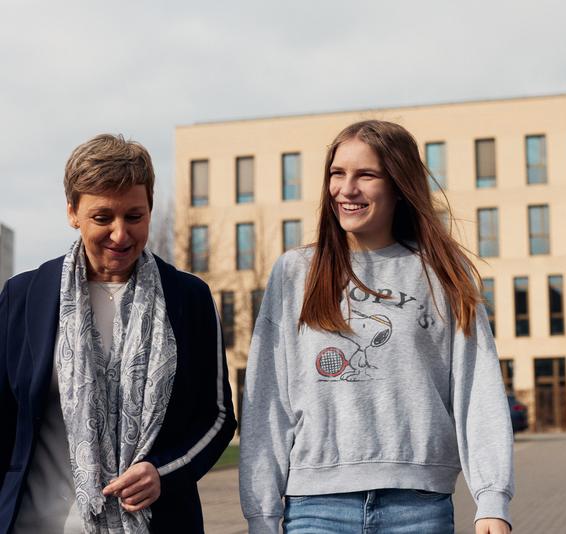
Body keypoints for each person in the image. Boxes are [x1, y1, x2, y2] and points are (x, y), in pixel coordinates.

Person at [240, 120, 514, 534]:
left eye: (365, 175)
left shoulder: (444, 271)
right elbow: (268, 400)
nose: (346, 189)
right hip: (316, 508)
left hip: (418, 506)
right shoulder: (296, 272)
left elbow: (477, 389)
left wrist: (492, 498)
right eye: (337, 173)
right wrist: (261, 513)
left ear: (400, 185)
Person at [0, 134, 237, 533]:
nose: (120, 235)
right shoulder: (24, 297)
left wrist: (162, 471)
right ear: (73, 212)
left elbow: (216, 418)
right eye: (102, 217)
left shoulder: (188, 297)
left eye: (134, 216)